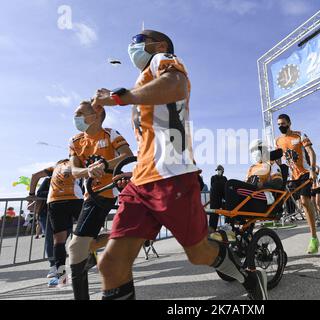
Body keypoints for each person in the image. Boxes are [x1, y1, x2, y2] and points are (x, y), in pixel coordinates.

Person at [91, 29, 268, 300]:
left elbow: (177, 85)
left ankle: (248, 278)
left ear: (159, 44)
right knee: (111, 264)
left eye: (137, 41)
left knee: (198, 254)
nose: (131, 47)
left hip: (172, 175)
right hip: (140, 181)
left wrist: (119, 98)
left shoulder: (163, 59)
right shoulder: (142, 80)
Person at [69, 101, 133, 300]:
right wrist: (88, 170)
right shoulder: (75, 141)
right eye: (75, 114)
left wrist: (104, 164)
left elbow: (127, 156)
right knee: (80, 246)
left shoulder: (110, 133)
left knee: (79, 247)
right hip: (93, 194)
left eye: (80, 113)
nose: (76, 118)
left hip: (113, 191)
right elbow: (74, 171)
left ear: (95, 115)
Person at [275, 114, 319, 254]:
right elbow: (279, 159)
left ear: (289, 123)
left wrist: (312, 169)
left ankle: (313, 239)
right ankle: (313, 213)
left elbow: (311, 152)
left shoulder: (300, 135)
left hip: (305, 172)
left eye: (283, 123)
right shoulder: (278, 141)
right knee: (294, 202)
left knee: (305, 201)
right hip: (292, 176)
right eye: (279, 124)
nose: (281, 126)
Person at [28, 174, 56, 278]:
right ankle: (54, 266)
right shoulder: (48, 180)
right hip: (46, 213)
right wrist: (56, 191)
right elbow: (40, 193)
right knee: (50, 239)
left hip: (64, 214)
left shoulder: (72, 180)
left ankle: (59, 266)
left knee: (61, 241)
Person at [209, 165, 228, 233]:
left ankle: (227, 227)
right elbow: (214, 186)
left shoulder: (225, 178)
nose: (218, 171)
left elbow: (226, 187)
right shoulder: (213, 177)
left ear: (222, 171)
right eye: (217, 170)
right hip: (215, 198)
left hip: (223, 198)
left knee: (228, 212)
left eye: (219, 170)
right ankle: (212, 229)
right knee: (214, 214)